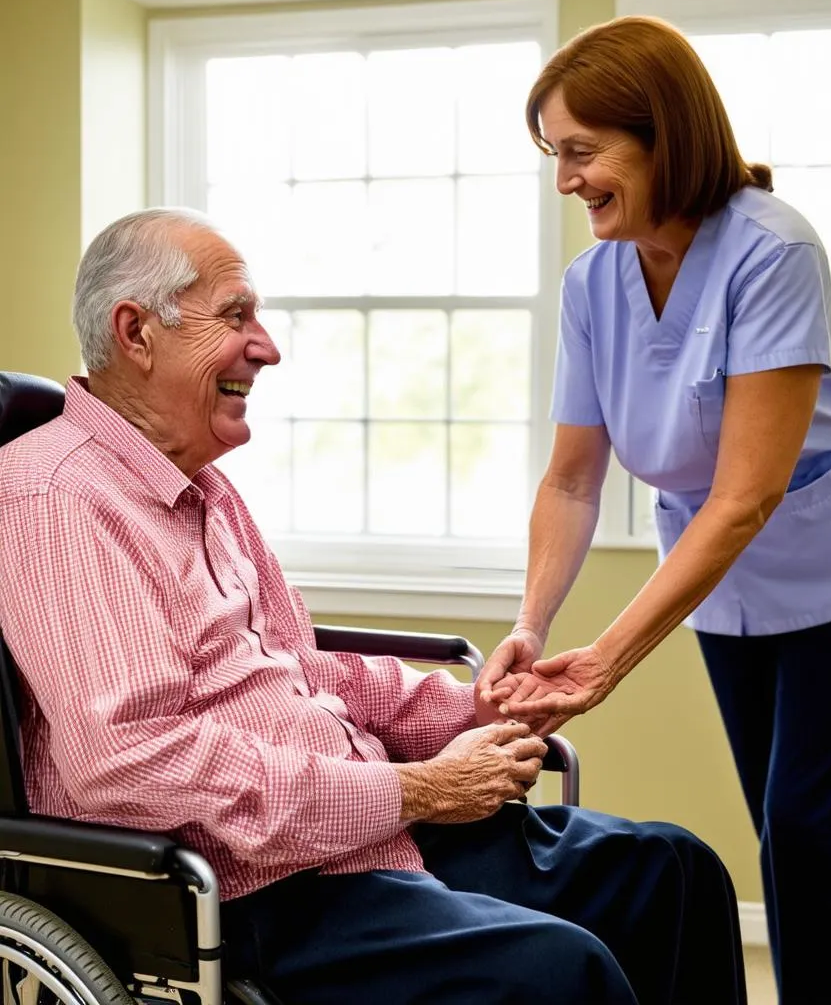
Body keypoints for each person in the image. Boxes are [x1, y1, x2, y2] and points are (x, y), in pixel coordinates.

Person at [0, 208, 747, 1005]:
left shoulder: (204, 489)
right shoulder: (55, 496)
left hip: (360, 828)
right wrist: (418, 789)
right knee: (563, 973)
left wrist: (474, 708)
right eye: (235, 315)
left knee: (673, 871)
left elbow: (302, 671)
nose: (268, 346)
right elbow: (131, 761)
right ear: (137, 332)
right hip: (248, 888)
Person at [478, 16, 831, 1005]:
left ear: (663, 137)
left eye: (583, 153)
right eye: (557, 155)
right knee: (783, 827)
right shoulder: (593, 282)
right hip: (718, 572)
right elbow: (570, 479)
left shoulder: (771, 250)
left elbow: (747, 493)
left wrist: (602, 659)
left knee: (814, 828)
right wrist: (531, 626)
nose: (565, 181)